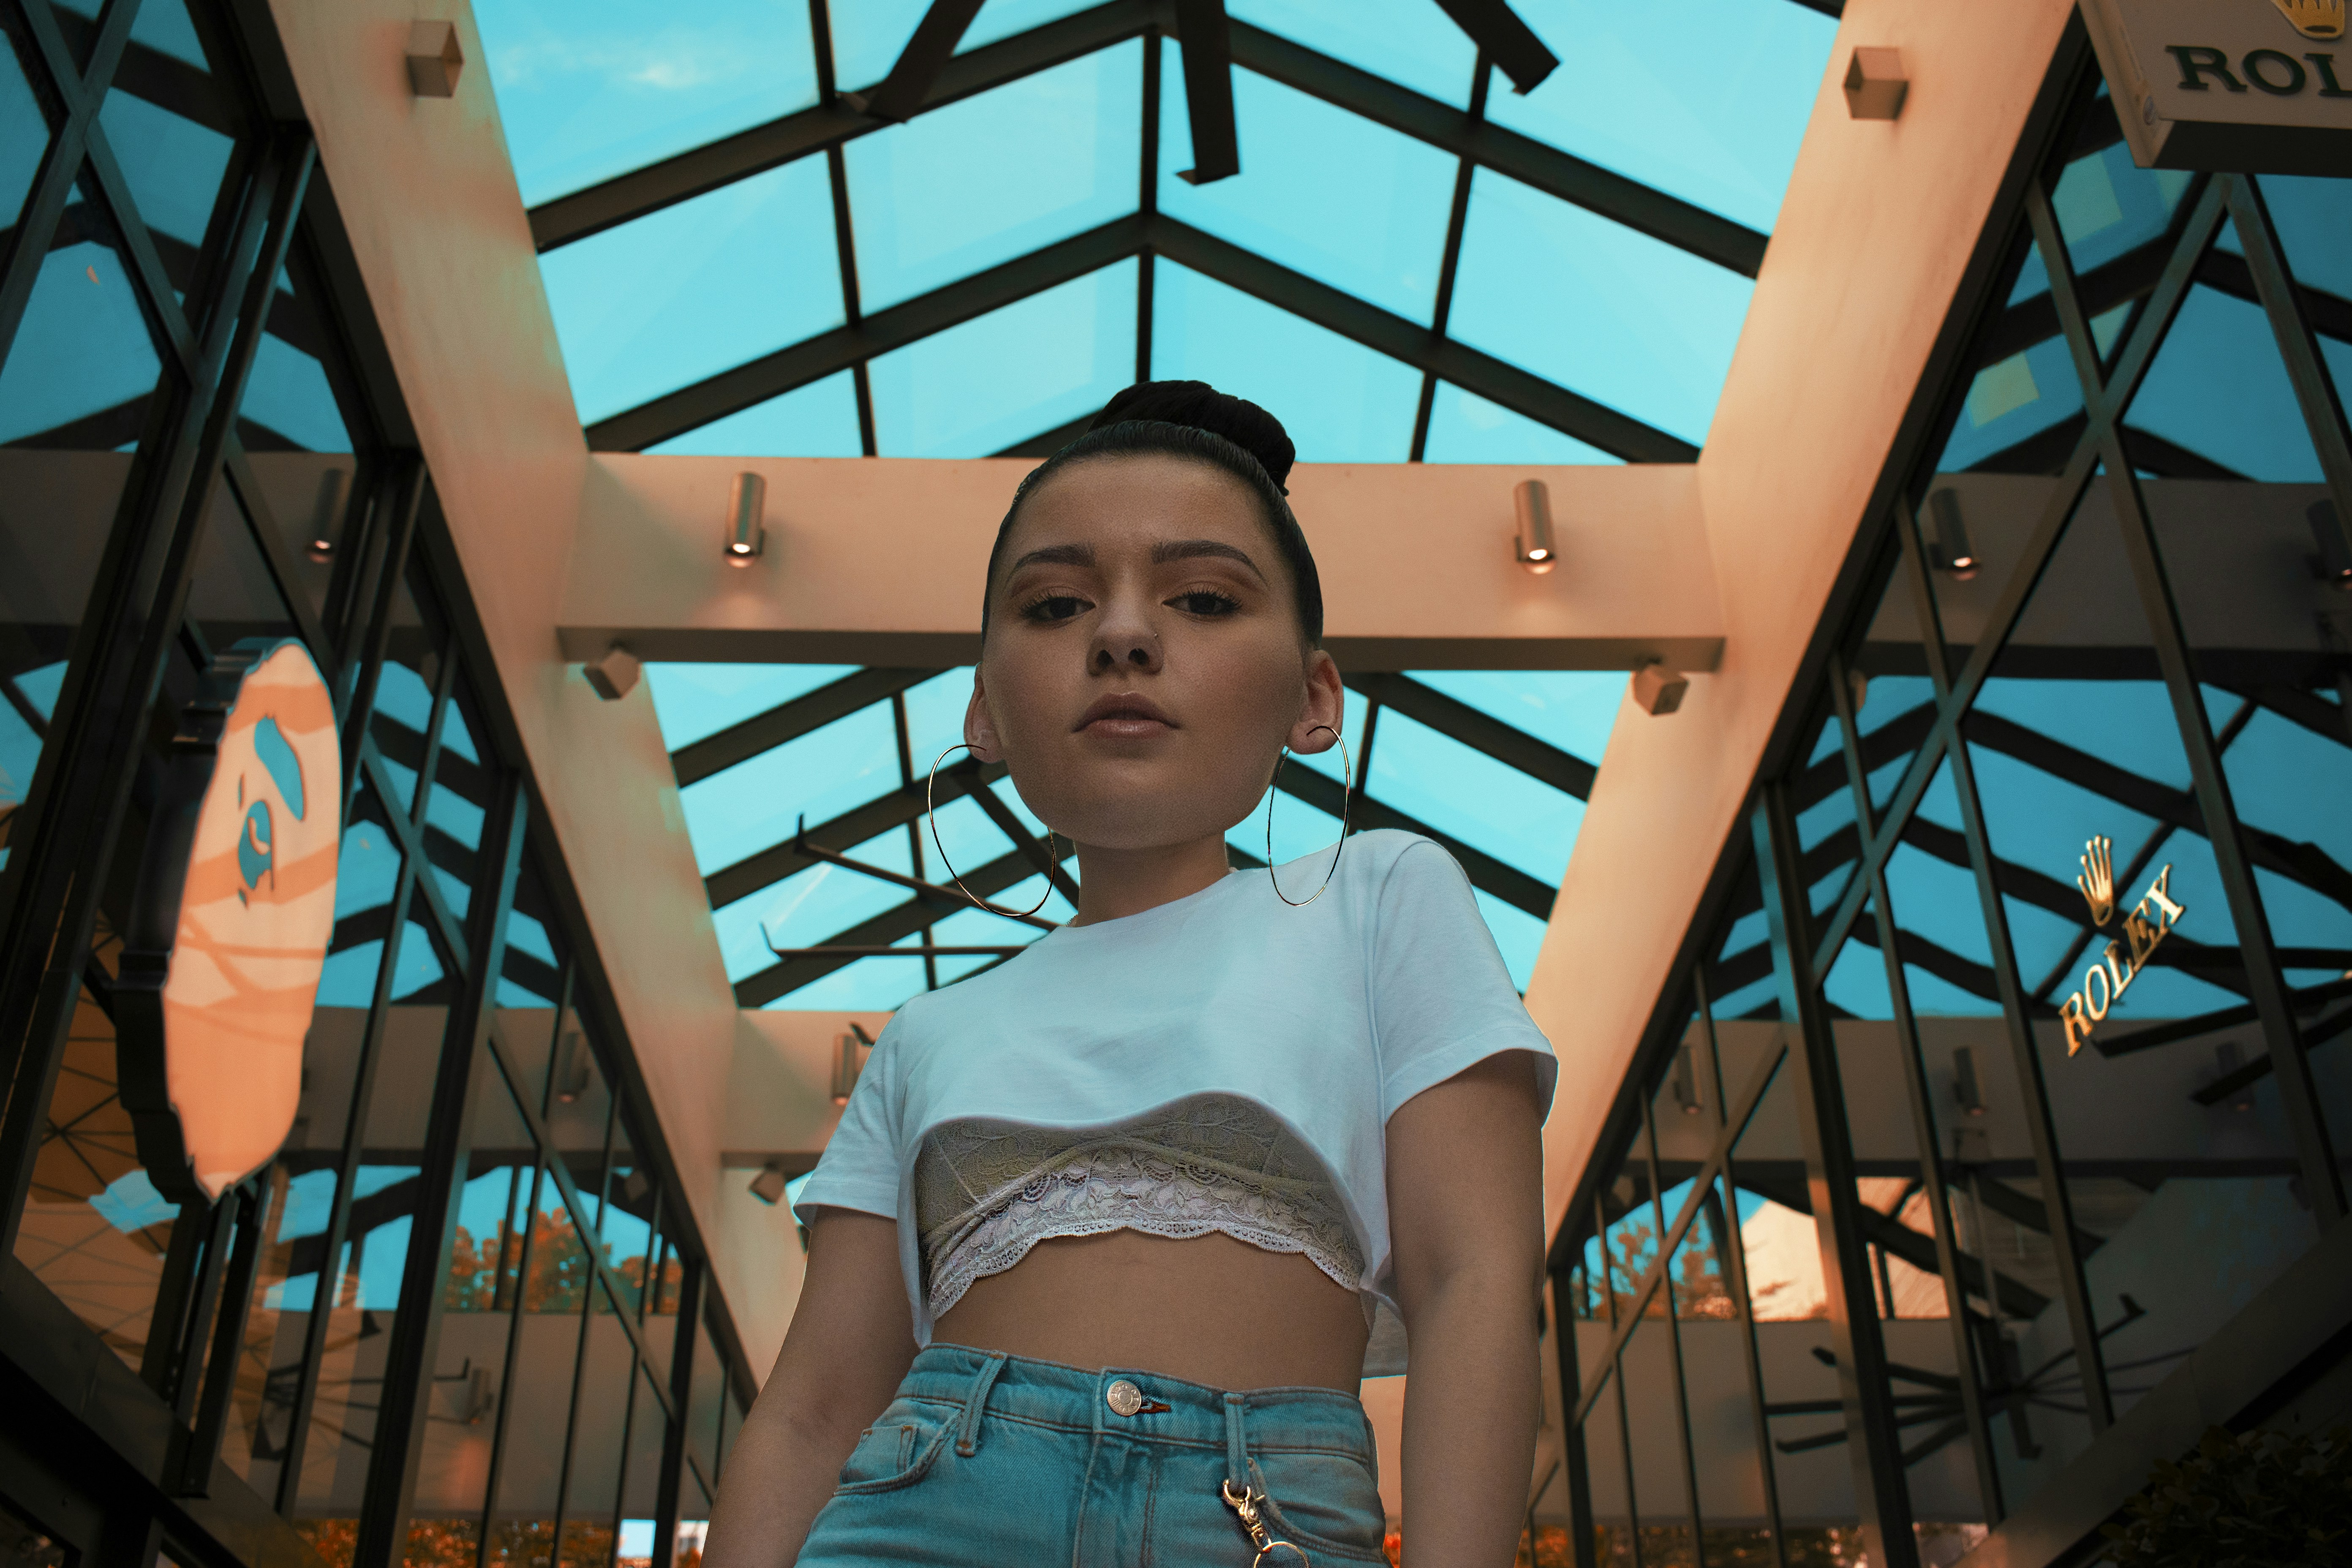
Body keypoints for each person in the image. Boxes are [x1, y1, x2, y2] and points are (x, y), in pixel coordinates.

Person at [702, 382, 1556, 1567]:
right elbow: (811, 1411)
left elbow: (1478, 1281)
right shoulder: (923, 1035)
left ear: (1314, 697)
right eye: (1056, 605)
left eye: (1203, 599)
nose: (1121, 637)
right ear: (983, 711)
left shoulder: (1382, 896)